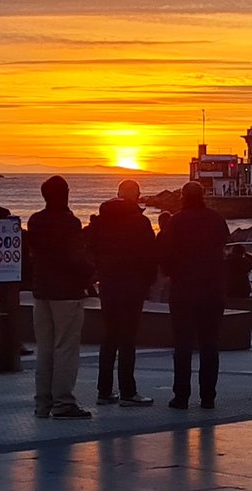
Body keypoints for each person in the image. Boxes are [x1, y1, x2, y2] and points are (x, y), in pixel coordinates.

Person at [28, 175, 94, 420]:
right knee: (65, 347)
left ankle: (42, 402)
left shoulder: (35, 221)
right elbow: (75, 258)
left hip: (41, 291)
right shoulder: (69, 223)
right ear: (65, 194)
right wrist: (90, 271)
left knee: (44, 348)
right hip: (66, 292)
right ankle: (63, 402)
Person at [89, 179, 158, 407]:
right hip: (132, 286)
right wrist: (147, 283)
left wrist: (98, 274)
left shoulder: (101, 222)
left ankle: (104, 390)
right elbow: (150, 256)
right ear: (137, 196)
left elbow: (91, 248)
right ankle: (128, 391)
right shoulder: (140, 223)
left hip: (108, 285)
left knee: (109, 337)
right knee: (127, 339)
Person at [161, 181, 229, 410]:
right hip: (212, 290)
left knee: (182, 345)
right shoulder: (216, 219)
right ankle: (208, 397)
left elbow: (166, 255)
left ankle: (181, 396)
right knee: (210, 345)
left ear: (183, 197)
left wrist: (174, 273)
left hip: (183, 291)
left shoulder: (175, 221)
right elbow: (223, 243)